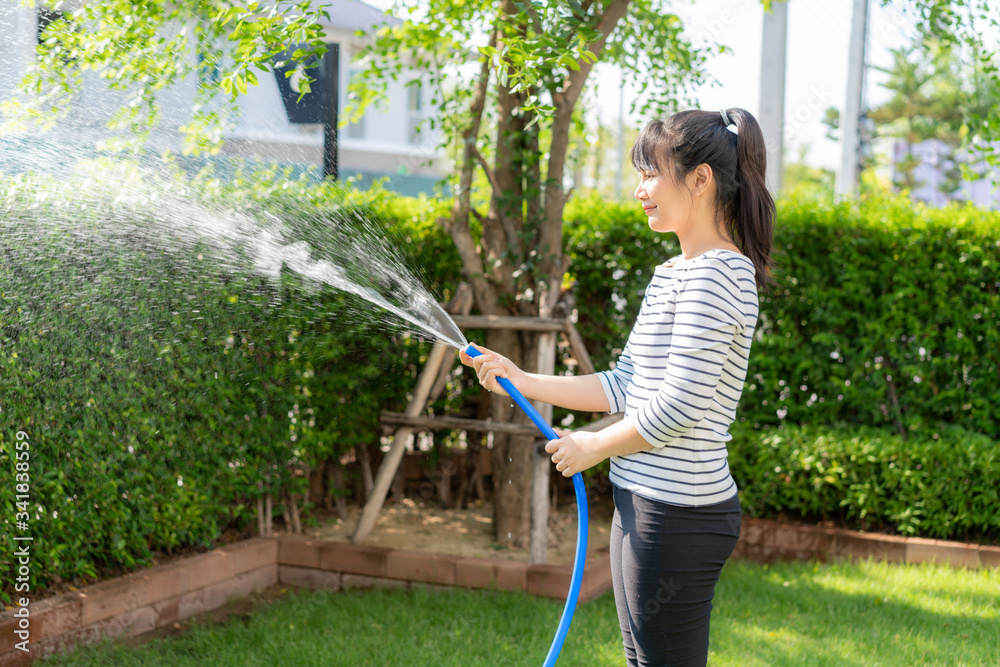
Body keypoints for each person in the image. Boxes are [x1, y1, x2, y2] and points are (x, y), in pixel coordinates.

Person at [459, 108, 775, 667]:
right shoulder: (675, 272)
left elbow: (679, 405)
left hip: (679, 514)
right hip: (641, 501)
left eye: (651, 173)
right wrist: (523, 380)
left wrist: (593, 447)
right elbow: (625, 383)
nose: (640, 190)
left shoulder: (719, 274)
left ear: (700, 179)